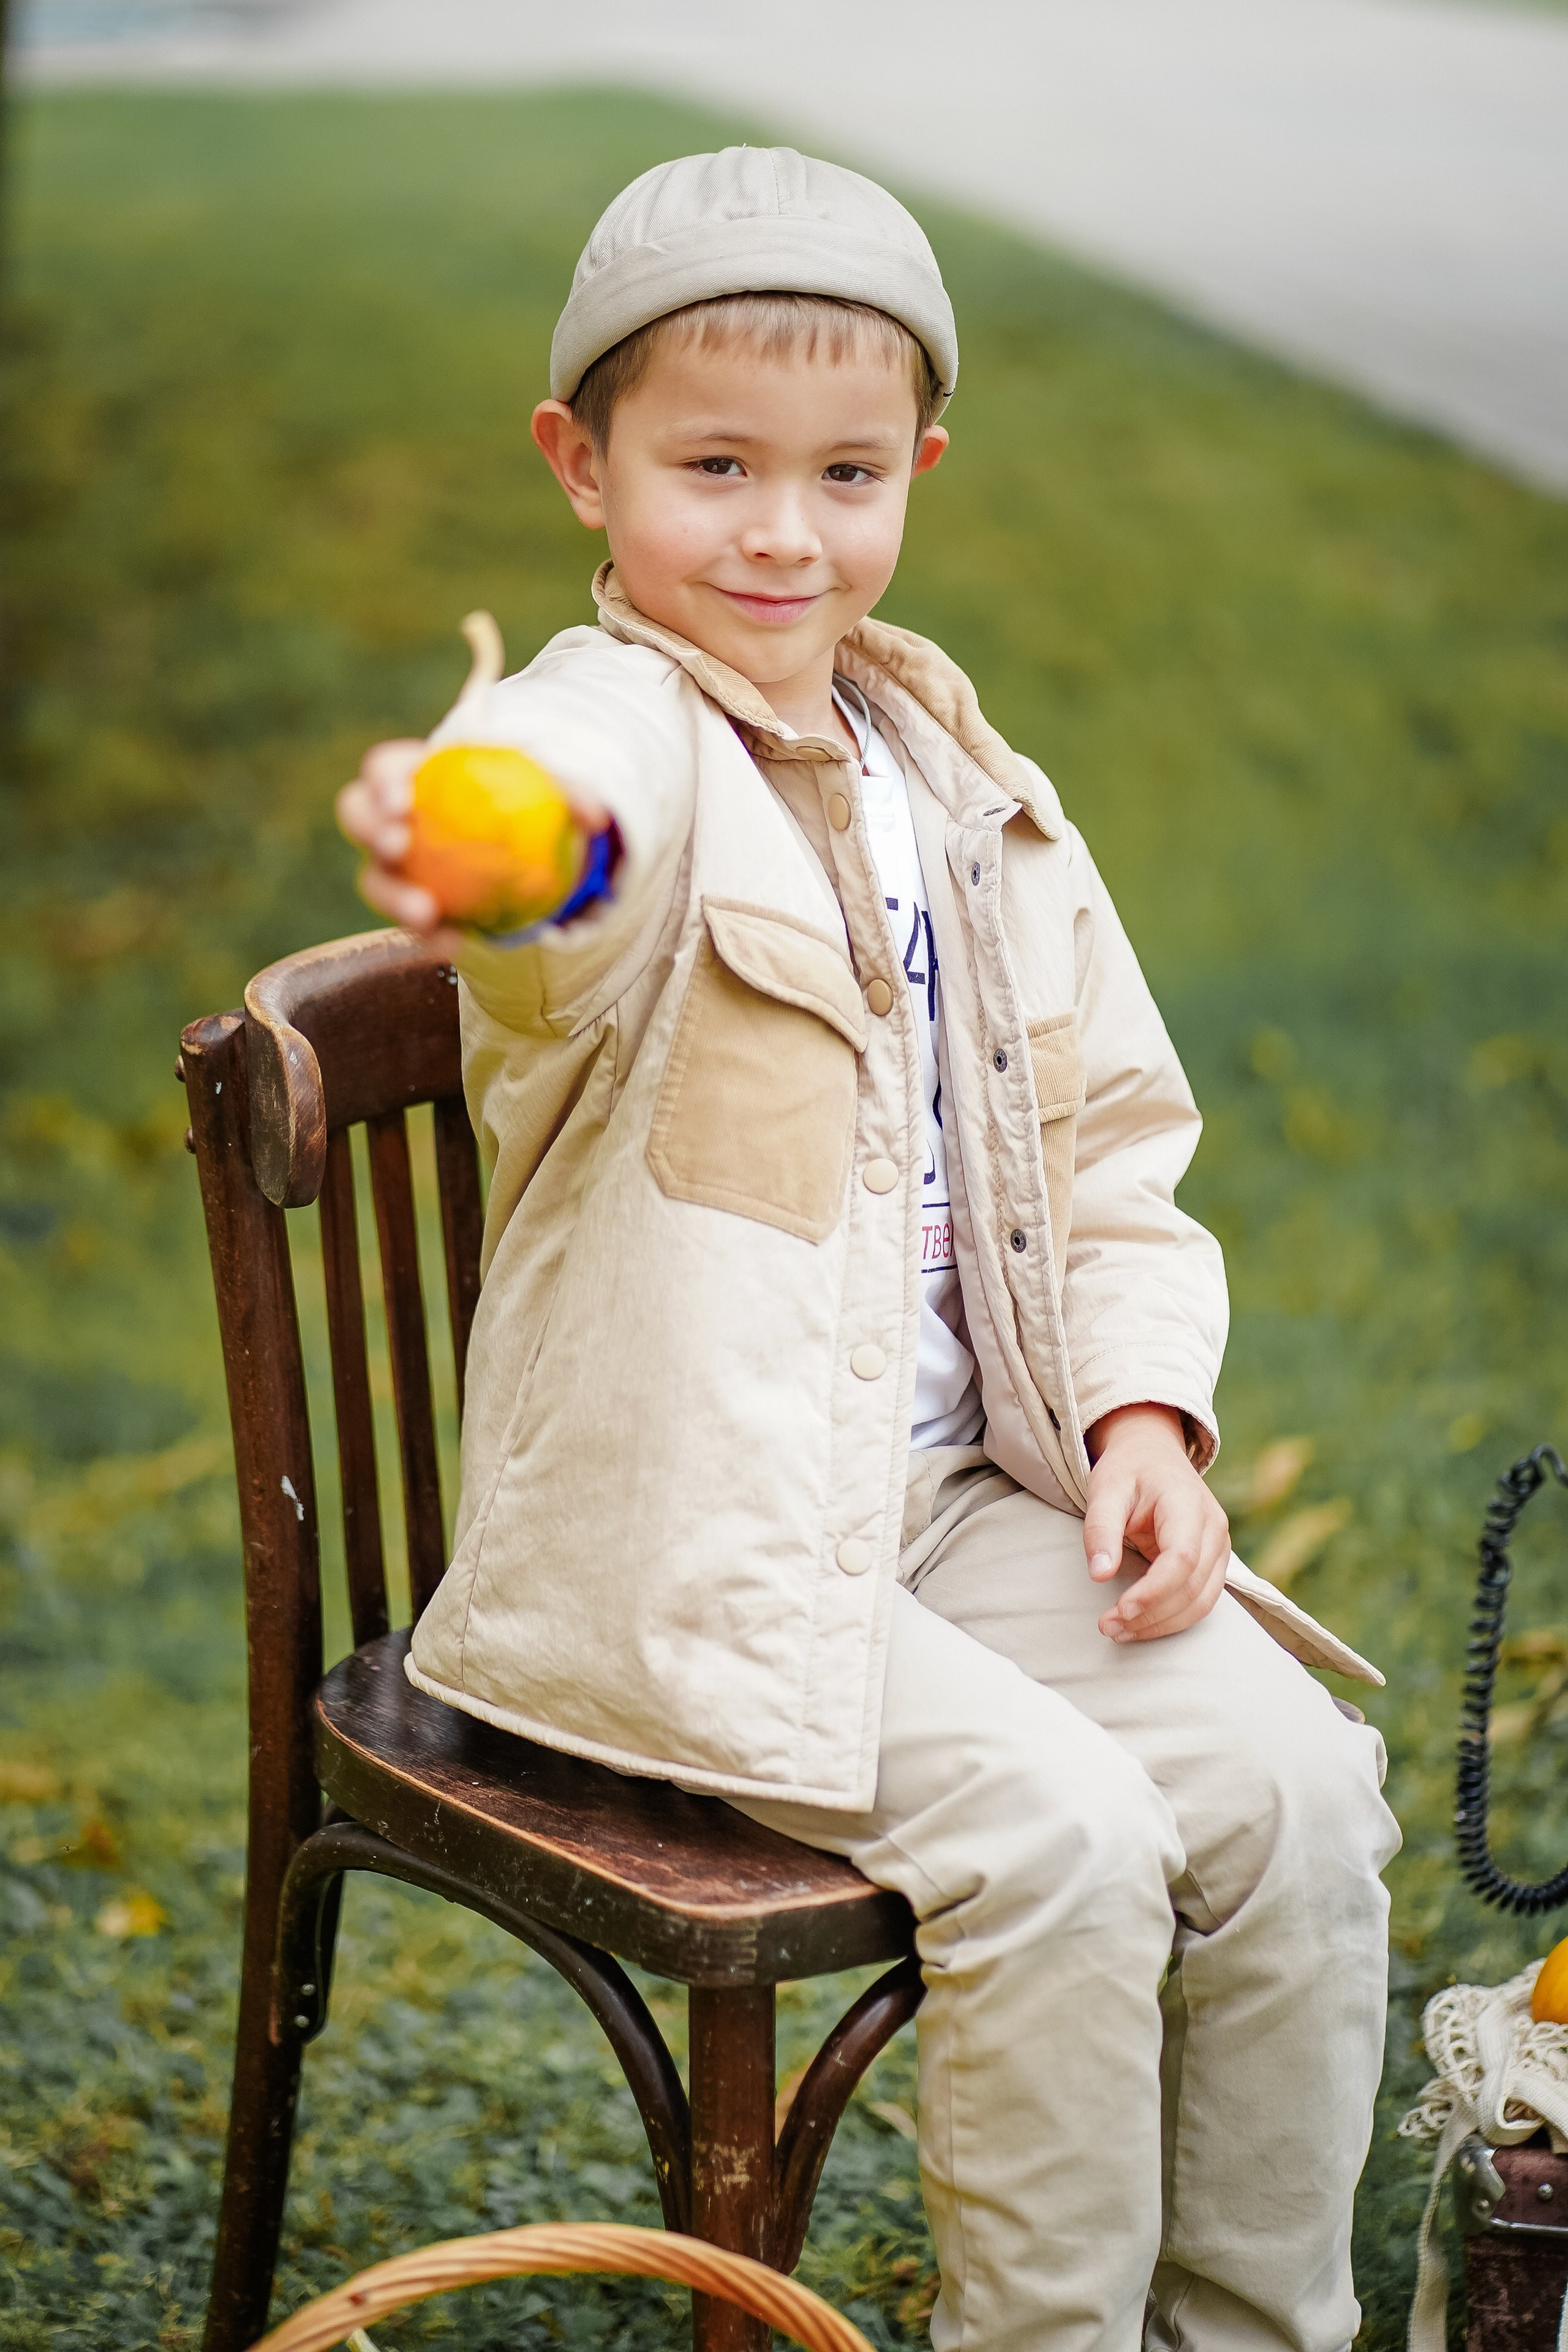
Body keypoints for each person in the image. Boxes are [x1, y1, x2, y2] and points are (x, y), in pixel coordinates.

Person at [336, 146, 1401, 2352]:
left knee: (1303, 1788)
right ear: (583, 466)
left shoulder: (961, 780)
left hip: (946, 1504)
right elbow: (574, 839)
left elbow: (1113, 1139)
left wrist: (1138, 1409)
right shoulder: (623, 731)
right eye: (712, 466)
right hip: (697, 1539)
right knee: (1071, 1848)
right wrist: (495, 847)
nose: (782, 533)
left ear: (918, 465)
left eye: (842, 471)